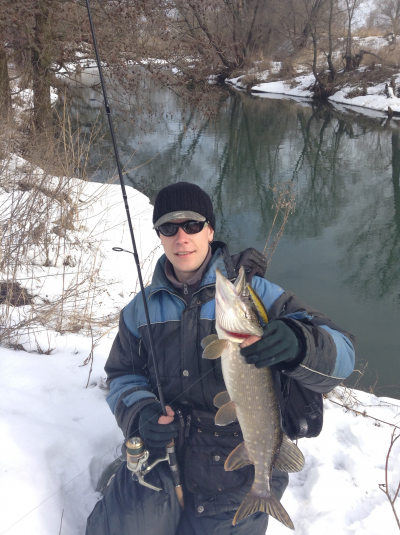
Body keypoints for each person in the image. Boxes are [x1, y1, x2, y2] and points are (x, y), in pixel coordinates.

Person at [86, 182, 356, 535]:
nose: (181, 237)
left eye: (193, 225)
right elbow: (123, 375)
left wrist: (299, 343)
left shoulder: (255, 294)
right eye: (169, 227)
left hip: (236, 459)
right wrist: (140, 414)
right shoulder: (140, 310)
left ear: (210, 230)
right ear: (159, 235)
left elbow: (345, 354)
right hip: (164, 451)